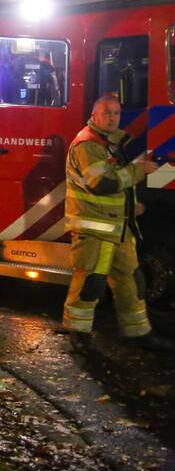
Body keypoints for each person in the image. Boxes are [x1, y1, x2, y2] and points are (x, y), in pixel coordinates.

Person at [61, 93, 172, 351]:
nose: (112, 118)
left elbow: (116, 186)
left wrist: (133, 208)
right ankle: (78, 335)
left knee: (132, 281)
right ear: (95, 114)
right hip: (96, 230)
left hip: (117, 228)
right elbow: (103, 184)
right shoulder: (87, 144)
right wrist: (138, 170)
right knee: (91, 283)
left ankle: (138, 333)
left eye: (116, 113)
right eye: (107, 112)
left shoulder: (109, 142)